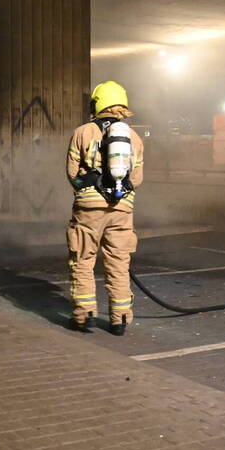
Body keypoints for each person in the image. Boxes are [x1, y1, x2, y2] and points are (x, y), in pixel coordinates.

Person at [65, 81, 144, 335]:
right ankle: (119, 319)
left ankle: (84, 315)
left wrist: (85, 186)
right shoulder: (134, 138)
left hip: (89, 208)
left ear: (97, 104)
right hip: (122, 207)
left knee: (83, 259)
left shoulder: (83, 132)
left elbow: (71, 172)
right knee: (119, 263)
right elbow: (138, 178)